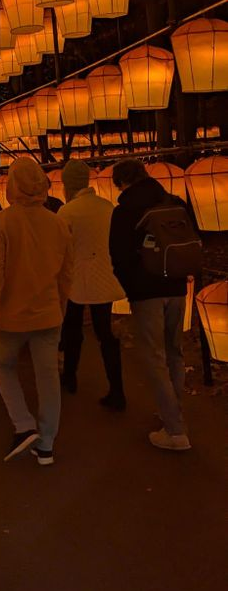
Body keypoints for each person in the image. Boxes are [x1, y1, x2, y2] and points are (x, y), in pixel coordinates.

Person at [0, 158, 73, 466]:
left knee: (2, 365)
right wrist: (61, 306)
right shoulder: (58, 223)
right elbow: (66, 274)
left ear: (12, 185)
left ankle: (23, 424)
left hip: (11, 315)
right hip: (48, 312)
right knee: (48, 378)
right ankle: (46, 444)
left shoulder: (0, 222)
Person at [109, 158, 192, 451]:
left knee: (155, 357)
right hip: (178, 286)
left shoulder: (124, 212)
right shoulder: (173, 201)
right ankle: (173, 412)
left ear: (120, 182)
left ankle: (175, 430)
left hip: (146, 292)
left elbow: (118, 256)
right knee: (175, 352)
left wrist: (131, 288)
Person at [57, 160, 126, 410]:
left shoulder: (66, 212)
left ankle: (70, 377)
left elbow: (61, 249)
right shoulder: (107, 207)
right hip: (104, 277)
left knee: (72, 330)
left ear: (68, 185)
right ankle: (117, 390)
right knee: (105, 334)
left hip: (76, 279)